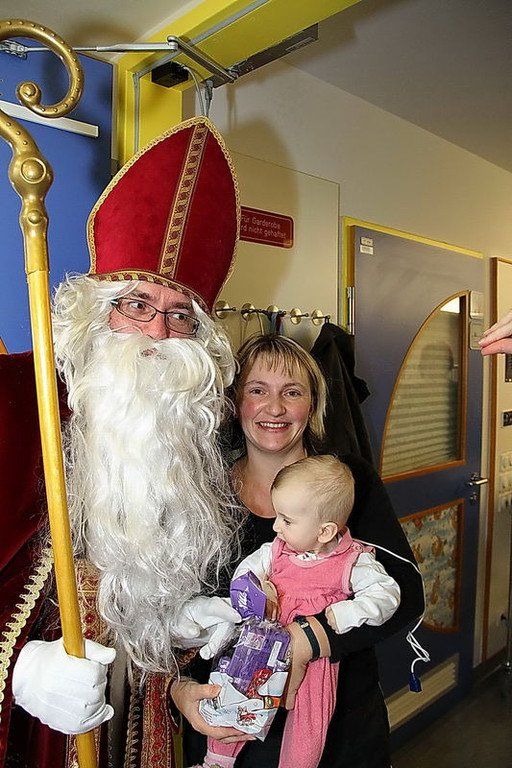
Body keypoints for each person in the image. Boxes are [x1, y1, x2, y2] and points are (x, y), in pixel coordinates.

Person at [0, 117, 249, 768]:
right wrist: (20, 672)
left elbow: (120, 584)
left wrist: (168, 621)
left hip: (128, 726)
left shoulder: (180, 431)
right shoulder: (13, 401)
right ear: (96, 309)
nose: (157, 333)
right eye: (137, 304)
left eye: (179, 315)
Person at [176, 333, 425, 768]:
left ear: (313, 405)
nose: (274, 408)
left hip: (338, 730)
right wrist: (179, 690)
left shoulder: (348, 482)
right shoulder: (200, 492)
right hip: (227, 728)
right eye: (257, 391)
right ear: (235, 402)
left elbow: (405, 596)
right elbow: (166, 615)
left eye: (292, 392)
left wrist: (306, 639)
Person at [193, 455, 401, 768]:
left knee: (309, 721)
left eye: (286, 520)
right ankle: (217, 761)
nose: (275, 526)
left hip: (315, 664)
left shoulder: (351, 562)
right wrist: (256, 589)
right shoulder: (275, 550)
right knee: (235, 692)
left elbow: (387, 594)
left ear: (325, 531)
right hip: (261, 646)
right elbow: (244, 574)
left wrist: (349, 612)